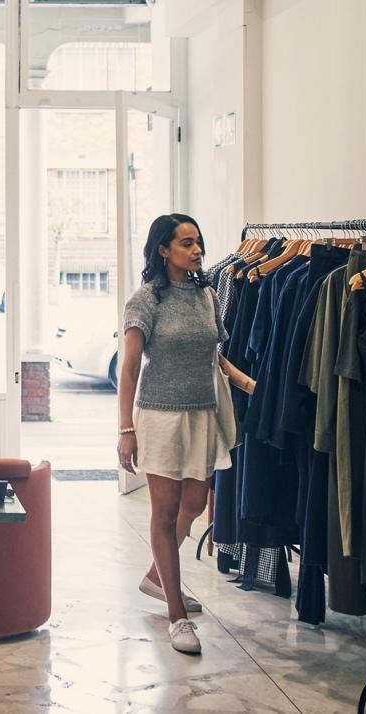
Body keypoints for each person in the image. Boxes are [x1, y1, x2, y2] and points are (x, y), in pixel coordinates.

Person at [116, 213, 256, 656]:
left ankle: (157, 577)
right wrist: (125, 429)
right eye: (186, 243)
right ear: (163, 250)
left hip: (202, 414)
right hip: (159, 416)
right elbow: (130, 367)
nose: (197, 251)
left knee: (195, 504)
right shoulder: (145, 301)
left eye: (198, 242)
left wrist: (249, 383)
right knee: (165, 511)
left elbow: (212, 354)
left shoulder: (207, 294)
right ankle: (176, 613)